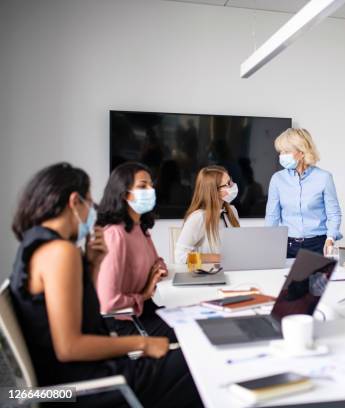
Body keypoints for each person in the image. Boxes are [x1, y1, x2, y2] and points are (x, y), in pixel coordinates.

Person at [9, 162, 201, 407]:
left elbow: (78, 314)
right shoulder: (60, 252)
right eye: (89, 202)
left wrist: (93, 264)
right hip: (88, 384)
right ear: (74, 201)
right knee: (198, 362)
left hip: (70, 379)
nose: (92, 209)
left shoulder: (35, 245)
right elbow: (69, 347)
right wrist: (143, 343)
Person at [96, 162, 173, 340]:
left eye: (151, 185)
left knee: (197, 321)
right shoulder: (115, 235)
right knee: (195, 331)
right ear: (124, 194)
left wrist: (158, 270)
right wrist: (144, 294)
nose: (150, 190)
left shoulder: (139, 227)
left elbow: (157, 262)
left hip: (145, 311)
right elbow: (108, 303)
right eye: (142, 186)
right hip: (126, 323)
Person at [265, 128, 342, 257]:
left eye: (286, 151)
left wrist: (330, 239)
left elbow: (334, 214)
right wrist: (267, 242)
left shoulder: (324, 178)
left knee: (316, 278)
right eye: (280, 151)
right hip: (287, 245)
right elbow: (272, 216)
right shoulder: (277, 179)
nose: (281, 155)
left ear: (302, 152)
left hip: (317, 244)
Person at [174, 165, 240, 264]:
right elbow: (180, 257)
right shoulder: (199, 217)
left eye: (231, 181)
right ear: (214, 191)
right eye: (228, 184)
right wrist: (216, 258)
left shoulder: (232, 211)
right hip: (209, 274)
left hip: (233, 269)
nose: (232, 185)